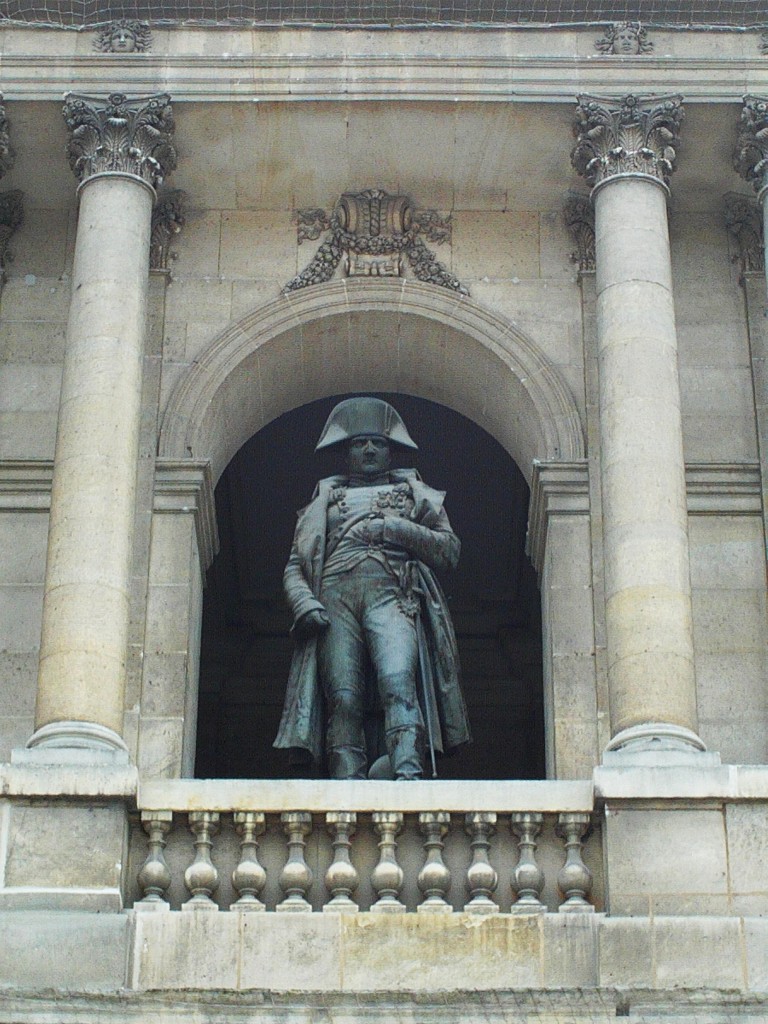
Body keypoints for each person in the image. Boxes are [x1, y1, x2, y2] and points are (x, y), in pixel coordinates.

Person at [274, 397, 471, 779]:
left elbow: (448, 550)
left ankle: (408, 774)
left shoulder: (416, 493)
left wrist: (394, 528)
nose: (367, 449)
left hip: (393, 593)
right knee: (343, 698)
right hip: (334, 597)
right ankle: (346, 778)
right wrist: (303, 603)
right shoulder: (324, 500)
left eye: (377, 443)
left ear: (390, 451)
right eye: (358, 443)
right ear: (345, 452)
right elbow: (297, 565)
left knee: (398, 681)